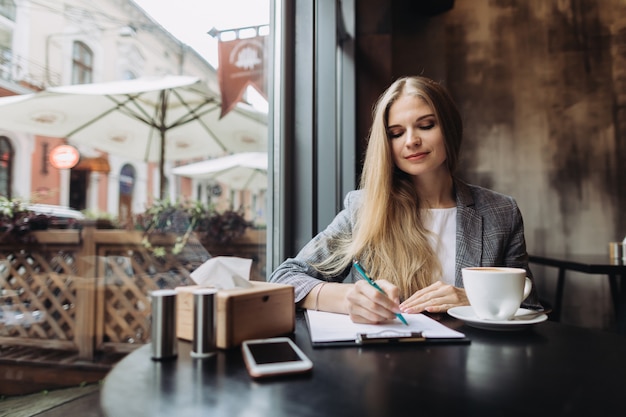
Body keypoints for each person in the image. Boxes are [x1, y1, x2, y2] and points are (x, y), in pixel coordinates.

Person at [269, 75, 542, 324]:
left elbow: (529, 305)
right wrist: (348, 297)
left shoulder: (501, 211)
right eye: (396, 133)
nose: (411, 141)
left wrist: (472, 299)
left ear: (449, 128)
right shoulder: (364, 208)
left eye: (426, 126)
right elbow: (285, 278)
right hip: (388, 361)